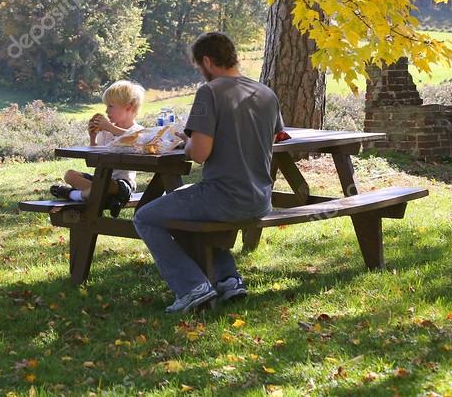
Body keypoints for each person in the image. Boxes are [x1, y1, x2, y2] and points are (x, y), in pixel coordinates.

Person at [133, 32, 285, 313]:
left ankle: (192, 288)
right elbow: (276, 137)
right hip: (261, 198)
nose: (200, 74)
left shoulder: (210, 92)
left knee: (145, 217)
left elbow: (200, 153)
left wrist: (187, 141)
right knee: (181, 204)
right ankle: (228, 280)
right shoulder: (265, 93)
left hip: (224, 198)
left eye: (198, 68)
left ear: (206, 61)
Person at [50, 80, 145, 216]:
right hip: (100, 179)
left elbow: (137, 140)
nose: (107, 111)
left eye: (111, 106)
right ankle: (108, 199)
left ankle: (74, 194)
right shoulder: (105, 132)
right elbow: (96, 157)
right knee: (70, 174)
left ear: (129, 107)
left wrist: (111, 128)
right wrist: (93, 137)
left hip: (121, 185)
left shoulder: (138, 131)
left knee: (108, 185)